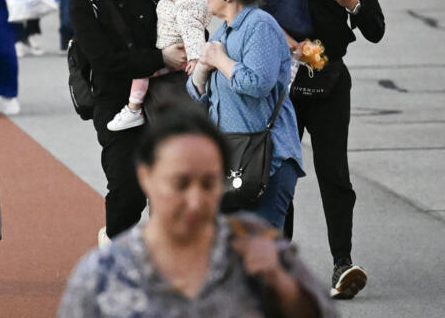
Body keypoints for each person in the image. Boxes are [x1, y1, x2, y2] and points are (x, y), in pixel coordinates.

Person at [58, 100, 338, 318]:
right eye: (180, 183)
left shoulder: (261, 250)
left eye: (209, 183)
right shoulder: (102, 277)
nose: (196, 200)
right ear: (145, 176)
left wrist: (285, 290)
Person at [255, 0, 385, 300]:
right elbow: (244, 10)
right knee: (279, 174)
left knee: (335, 176)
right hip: (282, 83)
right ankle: (279, 263)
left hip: (330, 82)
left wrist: (352, 3)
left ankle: (342, 263)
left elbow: (376, 30)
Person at [69, 0, 187, 242]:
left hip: (163, 98)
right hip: (114, 103)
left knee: (169, 184)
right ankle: (114, 243)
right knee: (126, 186)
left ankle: (163, 260)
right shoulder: (84, 2)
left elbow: (183, 26)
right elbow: (106, 62)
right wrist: (161, 57)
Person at [187, 0, 304, 230]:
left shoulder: (259, 25)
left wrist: (221, 61)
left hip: (265, 160)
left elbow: (257, 84)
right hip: (235, 158)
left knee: (257, 254)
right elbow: (198, 95)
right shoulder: (224, 31)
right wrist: (202, 72)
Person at [109, 0, 211, 131]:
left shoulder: (187, 6)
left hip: (180, 56)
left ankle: (133, 108)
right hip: (172, 51)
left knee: (143, 72)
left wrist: (195, 58)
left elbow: (193, 32)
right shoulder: (179, 0)